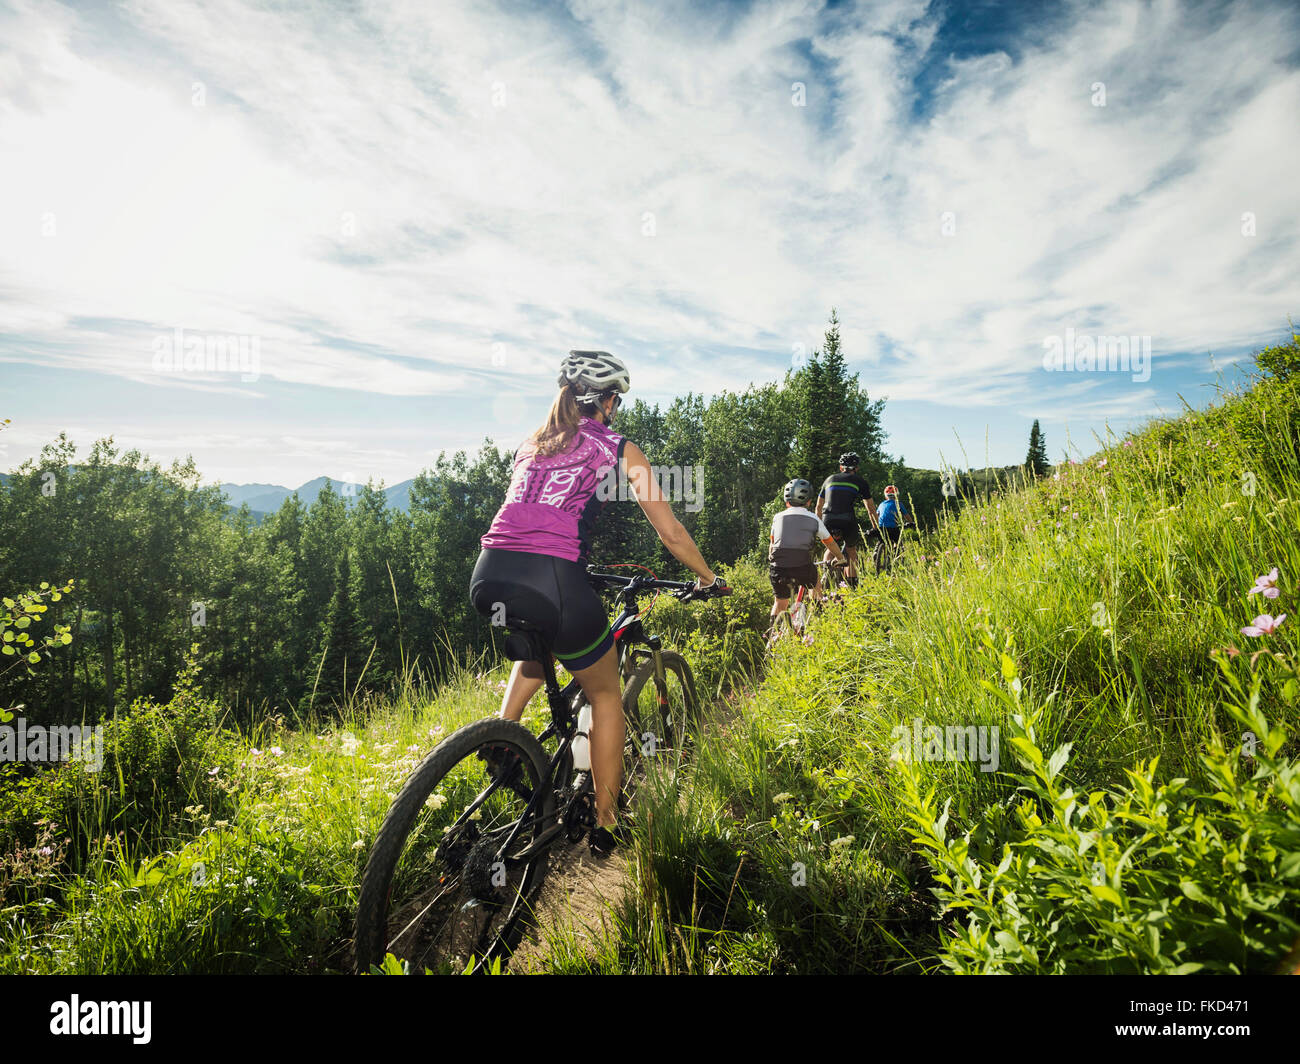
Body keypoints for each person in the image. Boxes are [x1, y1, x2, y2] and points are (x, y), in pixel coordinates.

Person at [469, 350, 721, 856]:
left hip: (490, 573)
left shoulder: (530, 443)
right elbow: (670, 532)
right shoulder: (620, 447)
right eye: (617, 398)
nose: (618, 407)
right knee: (607, 694)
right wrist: (709, 578)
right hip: (554, 577)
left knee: (538, 646)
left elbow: (529, 518)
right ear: (605, 400)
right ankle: (607, 822)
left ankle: (505, 737)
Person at [769, 478, 847, 638]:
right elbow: (830, 543)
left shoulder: (777, 517)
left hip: (778, 567)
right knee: (816, 583)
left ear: (786, 501)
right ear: (810, 501)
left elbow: (772, 545)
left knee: (780, 602)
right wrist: (840, 557)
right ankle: (815, 614)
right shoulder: (813, 519)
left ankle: (771, 637)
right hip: (802, 566)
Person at [815, 452, 878, 587]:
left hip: (827, 519)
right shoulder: (860, 481)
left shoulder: (829, 479)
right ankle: (852, 585)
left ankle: (826, 576)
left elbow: (818, 506)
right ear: (856, 468)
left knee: (831, 548)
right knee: (851, 550)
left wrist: (819, 526)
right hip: (847, 519)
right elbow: (871, 509)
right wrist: (876, 527)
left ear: (840, 467)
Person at [873, 484, 914, 574]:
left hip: (881, 527)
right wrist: (911, 523)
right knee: (898, 543)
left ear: (885, 495)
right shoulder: (898, 504)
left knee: (881, 540)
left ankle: (877, 550)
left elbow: (877, 515)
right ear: (896, 495)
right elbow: (906, 515)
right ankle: (895, 557)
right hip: (893, 528)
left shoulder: (881, 504)